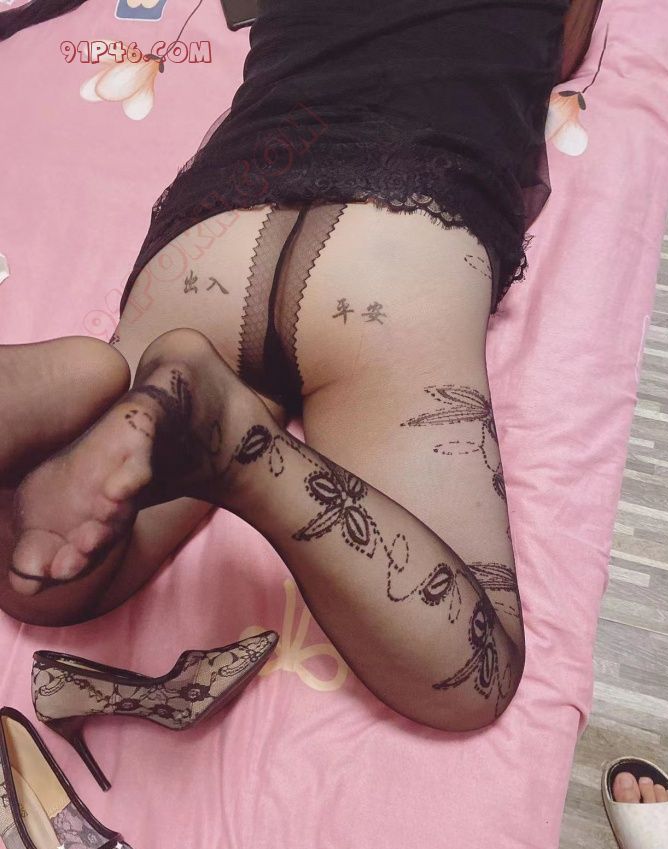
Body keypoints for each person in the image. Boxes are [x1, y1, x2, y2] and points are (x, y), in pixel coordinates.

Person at [0, 1, 601, 734]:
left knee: (40, 576)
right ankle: (242, 451)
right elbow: (564, 56)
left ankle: (86, 373)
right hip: (397, 241)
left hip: (216, 228)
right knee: (476, 671)